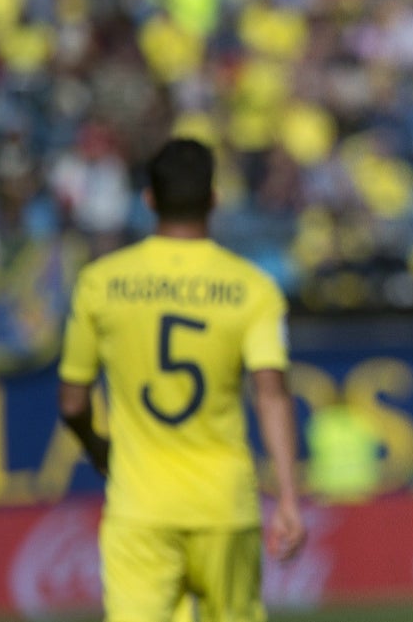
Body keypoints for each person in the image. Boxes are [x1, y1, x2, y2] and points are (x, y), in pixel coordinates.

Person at [58, 138, 306, 622]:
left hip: (139, 505)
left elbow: (71, 403)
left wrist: (97, 447)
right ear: (214, 198)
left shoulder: (101, 282)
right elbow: (271, 394)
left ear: (148, 199)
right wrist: (289, 498)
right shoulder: (252, 288)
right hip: (223, 503)